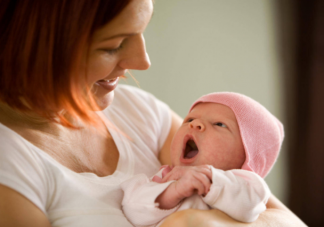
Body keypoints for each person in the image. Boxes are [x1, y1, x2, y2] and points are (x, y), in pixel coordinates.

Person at [0, 0, 306, 227]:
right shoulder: (11, 164)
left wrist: (197, 223)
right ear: (31, 45)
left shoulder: (137, 110)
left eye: (140, 32)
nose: (143, 61)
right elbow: (139, 205)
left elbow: (289, 222)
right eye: (114, 45)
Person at [121, 92, 283, 226]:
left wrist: (210, 179)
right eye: (189, 120)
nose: (195, 124)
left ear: (247, 157)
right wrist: (172, 192)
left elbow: (249, 207)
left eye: (219, 124)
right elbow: (133, 211)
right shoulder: (163, 179)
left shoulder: (248, 186)